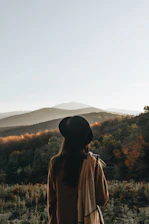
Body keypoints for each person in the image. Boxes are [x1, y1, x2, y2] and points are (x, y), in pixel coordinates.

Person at [47, 116, 109, 224]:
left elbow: (52, 201)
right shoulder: (93, 164)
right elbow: (102, 199)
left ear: (66, 139)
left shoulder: (56, 163)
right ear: (85, 141)